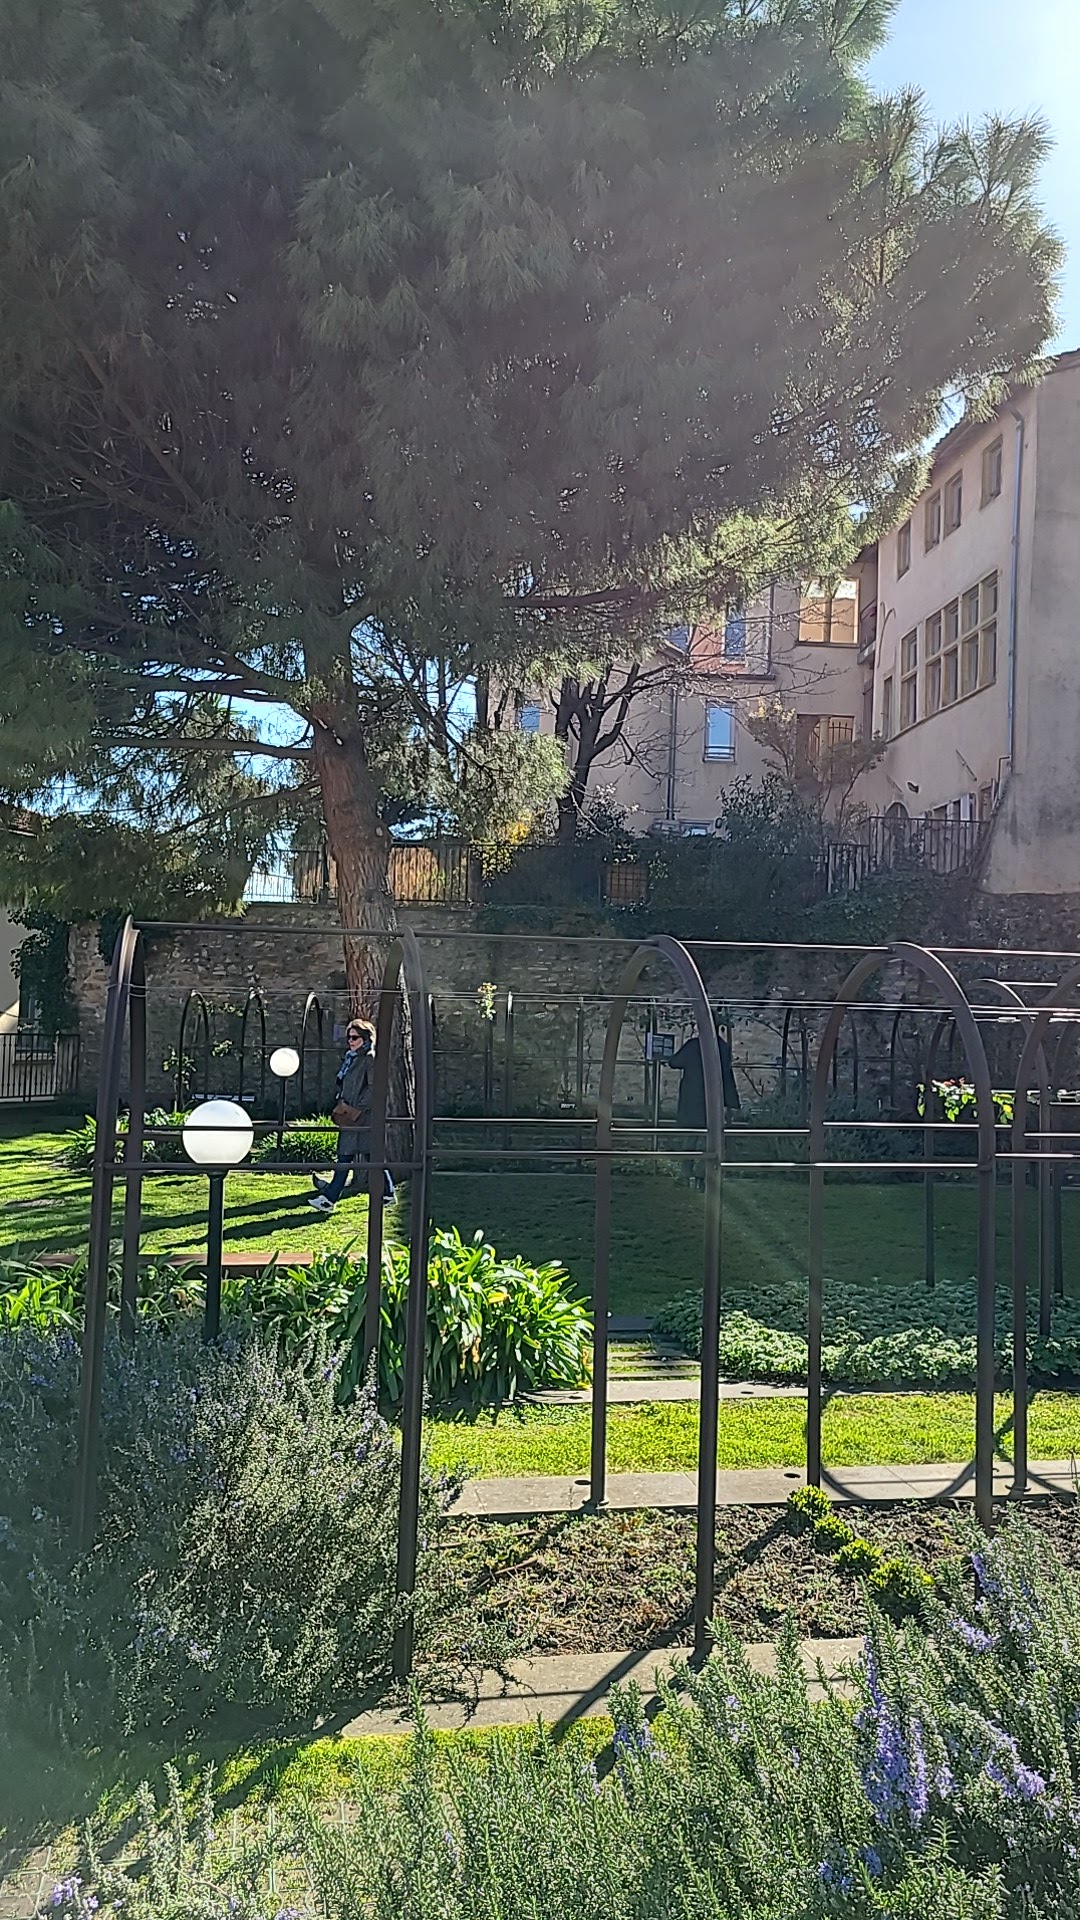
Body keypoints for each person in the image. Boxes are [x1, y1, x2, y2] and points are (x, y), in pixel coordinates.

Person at [309, 1019, 395, 1212]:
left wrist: (358, 1107)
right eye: (348, 1037)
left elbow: (374, 1087)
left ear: (365, 1038)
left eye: (355, 1037)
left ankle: (329, 1198)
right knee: (366, 1156)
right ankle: (388, 1193)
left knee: (350, 1156)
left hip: (362, 1117)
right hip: (351, 1114)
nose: (350, 1041)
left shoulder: (369, 1058)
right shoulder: (352, 1058)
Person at [667, 1020, 740, 1181]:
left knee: (691, 1136)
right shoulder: (722, 1047)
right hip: (713, 1098)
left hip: (693, 1098)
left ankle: (686, 1173)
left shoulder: (694, 1045)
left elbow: (674, 1062)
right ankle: (704, 1174)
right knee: (710, 1138)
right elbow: (726, 1074)